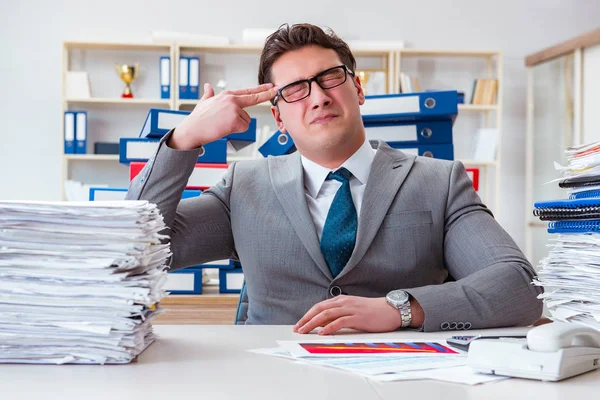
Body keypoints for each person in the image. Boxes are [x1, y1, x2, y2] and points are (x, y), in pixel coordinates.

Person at [126, 23, 542, 334]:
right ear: (278, 117)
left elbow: (519, 285)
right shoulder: (245, 186)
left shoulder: (438, 181)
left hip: (399, 380)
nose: (319, 96)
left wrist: (400, 308)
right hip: (269, 380)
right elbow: (132, 249)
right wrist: (185, 137)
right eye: (296, 89)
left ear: (357, 89)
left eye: (330, 78)